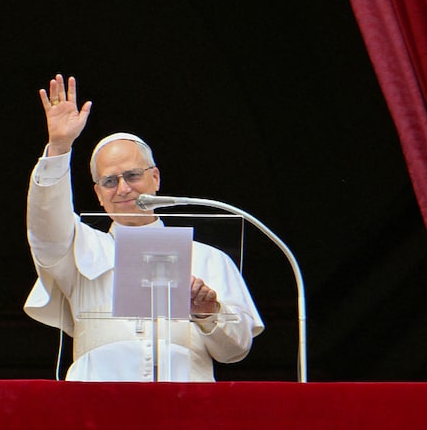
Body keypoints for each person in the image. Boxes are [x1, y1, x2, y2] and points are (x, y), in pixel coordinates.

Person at [23, 74, 263, 381]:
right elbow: (45, 223)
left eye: (133, 176)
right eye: (109, 181)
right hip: (99, 408)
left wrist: (208, 311)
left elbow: (235, 350)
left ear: (156, 178)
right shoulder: (78, 248)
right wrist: (59, 147)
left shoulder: (209, 259)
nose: (123, 189)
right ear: (98, 194)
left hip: (185, 406)